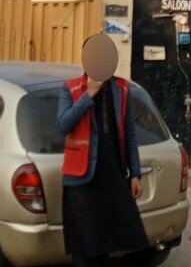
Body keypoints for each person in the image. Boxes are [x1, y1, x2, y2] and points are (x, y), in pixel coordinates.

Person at [57, 66, 149, 267]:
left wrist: (135, 174)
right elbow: (63, 125)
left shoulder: (121, 88)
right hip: (81, 181)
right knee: (84, 252)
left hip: (112, 179)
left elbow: (130, 133)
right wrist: (88, 95)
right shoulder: (71, 88)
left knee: (104, 248)